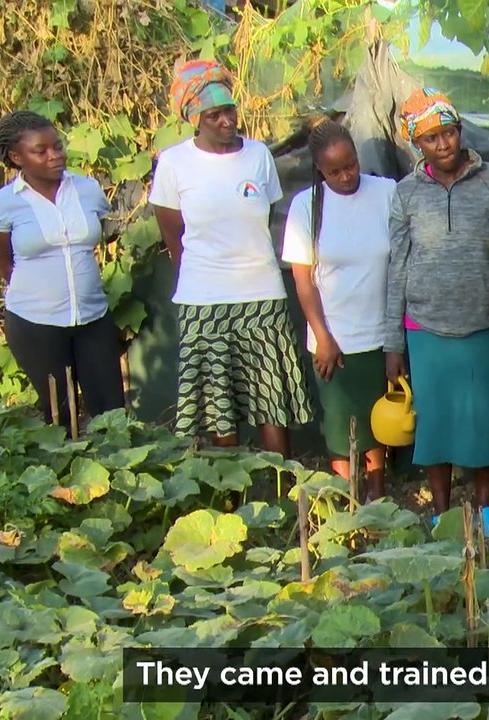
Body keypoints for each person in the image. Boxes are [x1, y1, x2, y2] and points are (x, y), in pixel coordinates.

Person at [149, 59, 312, 456]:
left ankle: (281, 487)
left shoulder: (258, 156)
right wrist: (206, 275)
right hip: (203, 300)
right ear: (194, 119)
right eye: (214, 115)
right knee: (219, 408)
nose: (227, 121)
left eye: (230, 110)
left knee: (272, 402)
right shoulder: (174, 163)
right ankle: (233, 498)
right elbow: (175, 237)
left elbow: (268, 218)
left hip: (261, 294)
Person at [384, 88, 489, 536]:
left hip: (485, 322)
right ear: (415, 145)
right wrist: (393, 343)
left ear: (460, 131)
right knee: (434, 422)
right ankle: (442, 511)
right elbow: (396, 265)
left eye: (449, 133)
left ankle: (486, 507)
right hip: (425, 327)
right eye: (430, 138)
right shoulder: (405, 194)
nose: (443, 144)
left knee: (485, 417)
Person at [0, 111, 126, 431]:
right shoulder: (1, 205)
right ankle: (66, 479)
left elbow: (97, 234)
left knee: (111, 412)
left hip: (92, 317)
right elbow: (3, 262)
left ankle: (114, 477)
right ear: (17, 157)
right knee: (60, 416)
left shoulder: (87, 190)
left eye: (57, 146)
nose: (55, 155)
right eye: (40, 151)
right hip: (35, 323)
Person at [282, 115, 393, 503]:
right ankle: (347, 500)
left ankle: (378, 497)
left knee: (378, 421)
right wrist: (323, 336)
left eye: (350, 165)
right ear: (319, 169)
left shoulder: (386, 193)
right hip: (333, 340)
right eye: (334, 171)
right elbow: (304, 280)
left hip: (379, 333)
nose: (346, 176)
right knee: (339, 424)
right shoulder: (306, 206)